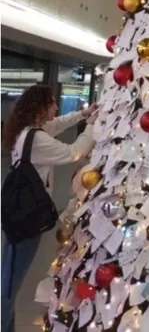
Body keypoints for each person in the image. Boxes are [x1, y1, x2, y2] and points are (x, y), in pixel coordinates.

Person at [2, 86, 96, 332]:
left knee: (9, 278)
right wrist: (94, 126)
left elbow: (58, 124)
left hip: (18, 213)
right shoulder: (37, 139)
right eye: (52, 104)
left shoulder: (27, 132)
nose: (56, 108)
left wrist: (83, 115)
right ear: (41, 107)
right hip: (26, 219)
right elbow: (74, 152)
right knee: (9, 285)